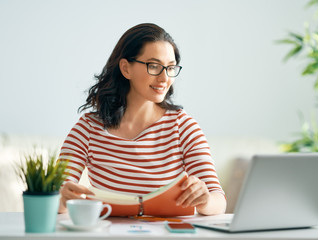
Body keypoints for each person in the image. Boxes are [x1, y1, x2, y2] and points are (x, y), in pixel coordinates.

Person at [58, 23, 226, 215]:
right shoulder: (88, 128)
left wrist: (204, 200)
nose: (164, 79)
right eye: (154, 66)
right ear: (126, 68)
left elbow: (218, 200)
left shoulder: (183, 127)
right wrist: (62, 199)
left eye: (170, 68)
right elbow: (53, 197)